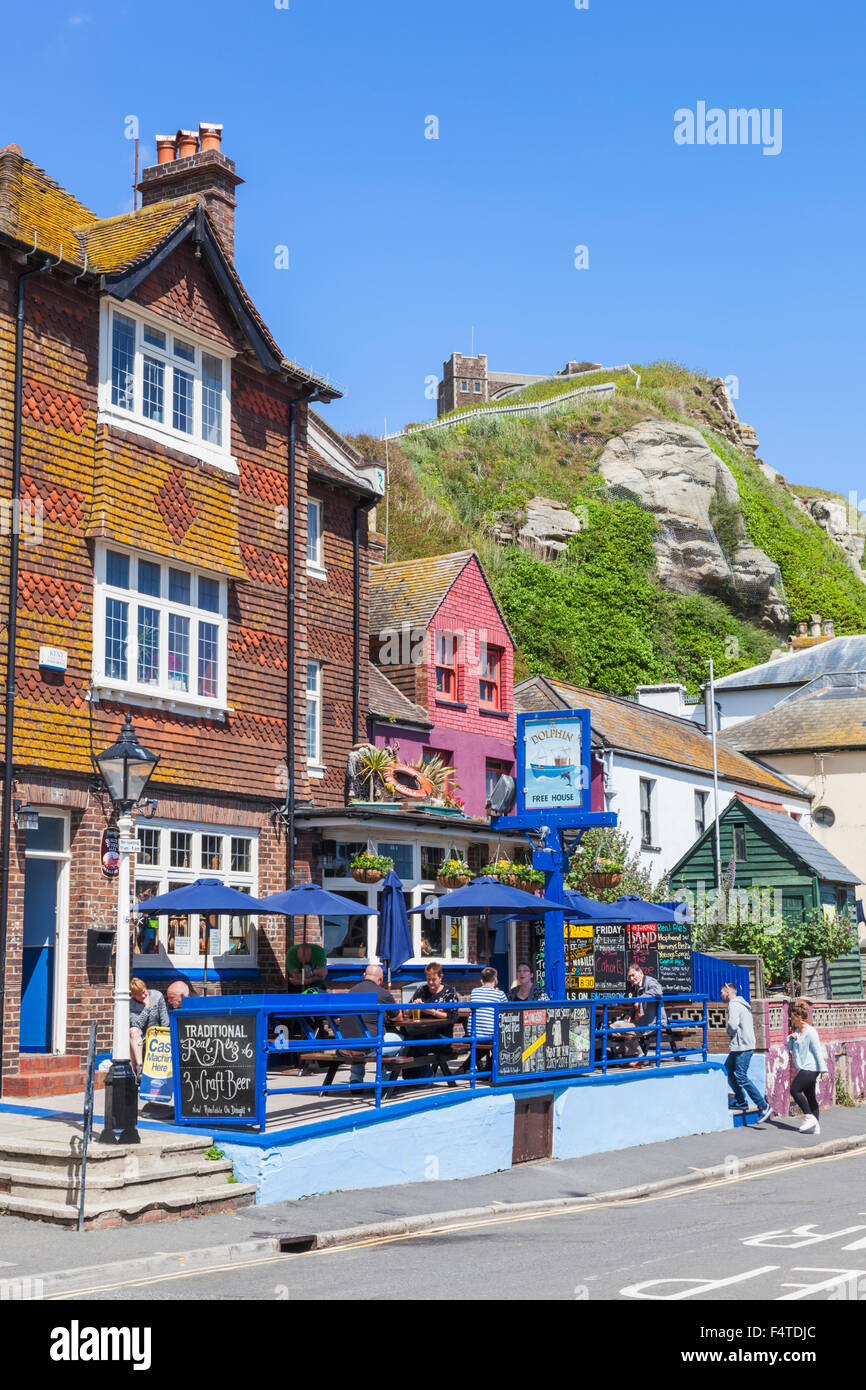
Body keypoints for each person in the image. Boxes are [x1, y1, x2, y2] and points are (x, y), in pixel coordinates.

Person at [339, 964, 404, 1087]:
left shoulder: (351, 992)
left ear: (364, 976)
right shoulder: (382, 993)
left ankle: (356, 1079)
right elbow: (398, 1017)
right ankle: (384, 1082)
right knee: (402, 1041)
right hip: (368, 1048)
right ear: (381, 979)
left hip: (345, 1047)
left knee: (359, 1036)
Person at [720, 981, 774, 1122]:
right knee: (727, 1070)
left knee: (741, 1077)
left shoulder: (733, 1005)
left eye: (722, 992)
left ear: (728, 992)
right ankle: (741, 1101)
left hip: (743, 1046)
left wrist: (729, 1032)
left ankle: (763, 1106)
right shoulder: (741, 1004)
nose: (720, 995)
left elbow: (732, 1024)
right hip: (741, 1045)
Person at [786, 1002, 827, 1135]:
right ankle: (816, 1128)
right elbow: (790, 1049)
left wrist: (823, 1069)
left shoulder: (811, 1032)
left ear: (799, 1017)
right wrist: (791, 1039)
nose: (792, 1021)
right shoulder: (797, 1031)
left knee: (794, 1090)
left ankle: (809, 1117)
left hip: (811, 1068)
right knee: (810, 1096)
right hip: (804, 1067)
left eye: (793, 1018)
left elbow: (818, 1051)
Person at [129, 978, 169, 1073]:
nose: (143, 996)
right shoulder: (131, 1004)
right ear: (134, 995)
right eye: (139, 995)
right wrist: (147, 1007)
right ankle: (139, 1069)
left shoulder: (157, 996)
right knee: (132, 1031)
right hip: (141, 1038)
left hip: (156, 1034)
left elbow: (165, 1020)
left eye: (144, 992)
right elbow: (136, 1025)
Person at [626, 964, 667, 1055]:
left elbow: (658, 991)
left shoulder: (650, 981)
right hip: (642, 1020)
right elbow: (636, 1004)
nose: (632, 979)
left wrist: (640, 999)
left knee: (618, 1029)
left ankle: (639, 1056)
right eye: (629, 977)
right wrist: (630, 1013)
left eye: (633, 975)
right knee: (617, 1028)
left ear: (640, 973)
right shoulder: (637, 986)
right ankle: (632, 1056)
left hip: (653, 1022)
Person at [469, 966, 508, 1040]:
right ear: (495, 979)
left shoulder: (474, 991)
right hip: (490, 1033)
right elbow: (506, 1011)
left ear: (482, 980)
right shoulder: (500, 994)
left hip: (473, 1032)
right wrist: (497, 991)